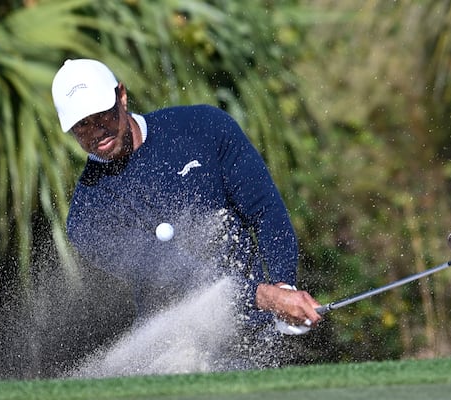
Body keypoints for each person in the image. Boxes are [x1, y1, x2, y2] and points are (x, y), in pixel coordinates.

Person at [51, 59, 321, 367]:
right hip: (175, 353)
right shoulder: (88, 218)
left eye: (101, 115)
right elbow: (177, 276)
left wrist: (283, 287)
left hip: (257, 336)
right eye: (81, 125)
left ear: (121, 96)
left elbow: (266, 212)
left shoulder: (203, 127)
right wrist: (267, 298)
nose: (95, 131)